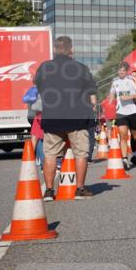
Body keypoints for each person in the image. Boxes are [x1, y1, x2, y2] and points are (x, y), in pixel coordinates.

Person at [34, 35, 97, 200]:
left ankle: (48, 191)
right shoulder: (81, 68)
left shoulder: (44, 67)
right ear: (71, 50)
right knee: (80, 153)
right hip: (77, 117)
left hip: (52, 117)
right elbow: (91, 92)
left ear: (55, 49)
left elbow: (38, 87)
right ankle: (80, 189)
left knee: (50, 155)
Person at [110, 62, 136, 170]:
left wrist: (129, 96)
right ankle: (125, 159)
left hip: (133, 112)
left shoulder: (132, 80)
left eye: (123, 70)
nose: (121, 72)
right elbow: (112, 93)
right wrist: (111, 98)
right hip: (121, 112)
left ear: (127, 71)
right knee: (123, 135)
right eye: (119, 70)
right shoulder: (115, 81)